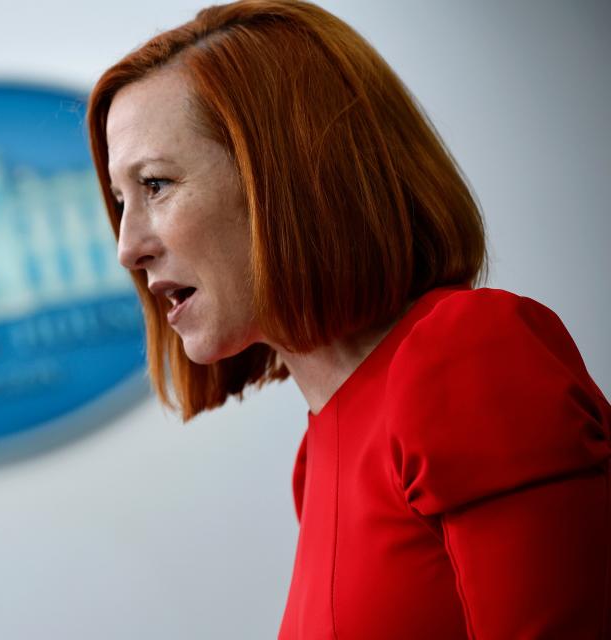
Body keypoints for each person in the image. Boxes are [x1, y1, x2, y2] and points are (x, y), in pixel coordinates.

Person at [86, 1, 611, 638]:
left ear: (286, 176)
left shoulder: (470, 353)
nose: (127, 245)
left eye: (156, 185)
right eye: (121, 201)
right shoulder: (315, 462)